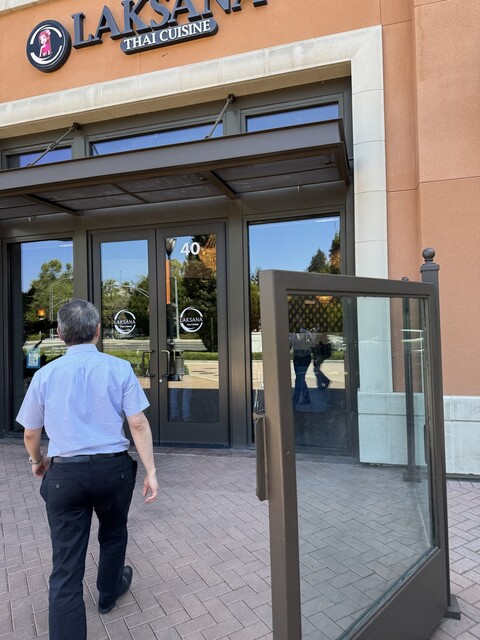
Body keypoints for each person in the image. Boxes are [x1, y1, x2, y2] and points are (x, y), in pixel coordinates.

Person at [16, 299, 159, 640]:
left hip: (65, 476)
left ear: (59, 333)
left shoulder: (44, 375)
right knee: (114, 533)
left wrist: (37, 461)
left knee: (66, 564)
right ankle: (108, 593)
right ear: (97, 331)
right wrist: (151, 471)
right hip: (114, 471)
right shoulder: (119, 368)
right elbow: (137, 423)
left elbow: (31, 433)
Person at [290, 317, 313, 406]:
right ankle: (303, 398)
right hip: (301, 358)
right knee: (300, 378)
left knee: (300, 378)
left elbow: (312, 344)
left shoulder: (304, 334)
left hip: (302, 358)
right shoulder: (296, 334)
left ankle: (297, 399)